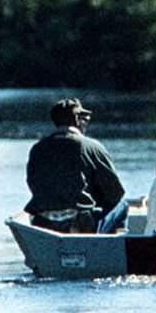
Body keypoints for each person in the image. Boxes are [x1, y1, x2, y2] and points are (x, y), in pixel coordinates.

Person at [24, 97, 127, 233]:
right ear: (77, 120)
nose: (86, 122)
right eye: (85, 118)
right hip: (79, 224)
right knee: (122, 205)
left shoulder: (37, 148)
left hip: (42, 222)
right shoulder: (91, 146)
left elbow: (33, 183)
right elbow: (115, 193)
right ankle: (109, 249)